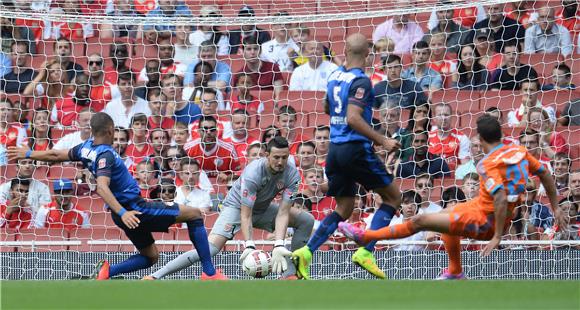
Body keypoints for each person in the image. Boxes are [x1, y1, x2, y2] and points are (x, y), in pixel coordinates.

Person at [338, 115, 565, 279]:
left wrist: (497, 236)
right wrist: (555, 207)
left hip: (485, 221)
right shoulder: (520, 151)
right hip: (480, 208)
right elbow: (545, 174)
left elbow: (501, 198)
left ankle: (366, 237)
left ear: (480, 139)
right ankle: (455, 271)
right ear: (501, 134)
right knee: (443, 215)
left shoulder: (486, 164)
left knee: (420, 221)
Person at [8, 112, 225, 280]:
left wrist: (28, 153)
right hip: (134, 208)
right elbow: (102, 187)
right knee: (195, 214)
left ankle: (107, 272)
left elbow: (56, 154)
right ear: (111, 130)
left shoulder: (85, 148)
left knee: (151, 257)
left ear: (92, 131)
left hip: (121, 212)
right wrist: (123, 212)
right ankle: (209, 273)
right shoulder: (106, 155)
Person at [292, 33, 402, 280]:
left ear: (345, 50)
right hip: (355, 148)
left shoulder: (334, 76)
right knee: (394, 197)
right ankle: (366, 251)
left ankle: (306, 252)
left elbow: (326, 108)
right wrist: (382, 139)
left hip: (334, 150)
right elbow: (353, 117)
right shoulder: (361, 81)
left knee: (344, 207)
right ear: (367, 54)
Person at [146, 137, 315, 280]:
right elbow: (245, 214)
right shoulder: (253, 173)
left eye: (284, 157)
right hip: (236, 208)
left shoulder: (292, 174)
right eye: (276, 157)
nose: (280, 162)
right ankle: (156, 276)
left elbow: (283, 212)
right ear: (266, 155)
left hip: (263, 209)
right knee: (210, 249)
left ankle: (291, 275)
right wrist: (249, 245)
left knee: (306, 220)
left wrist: (279, 244)